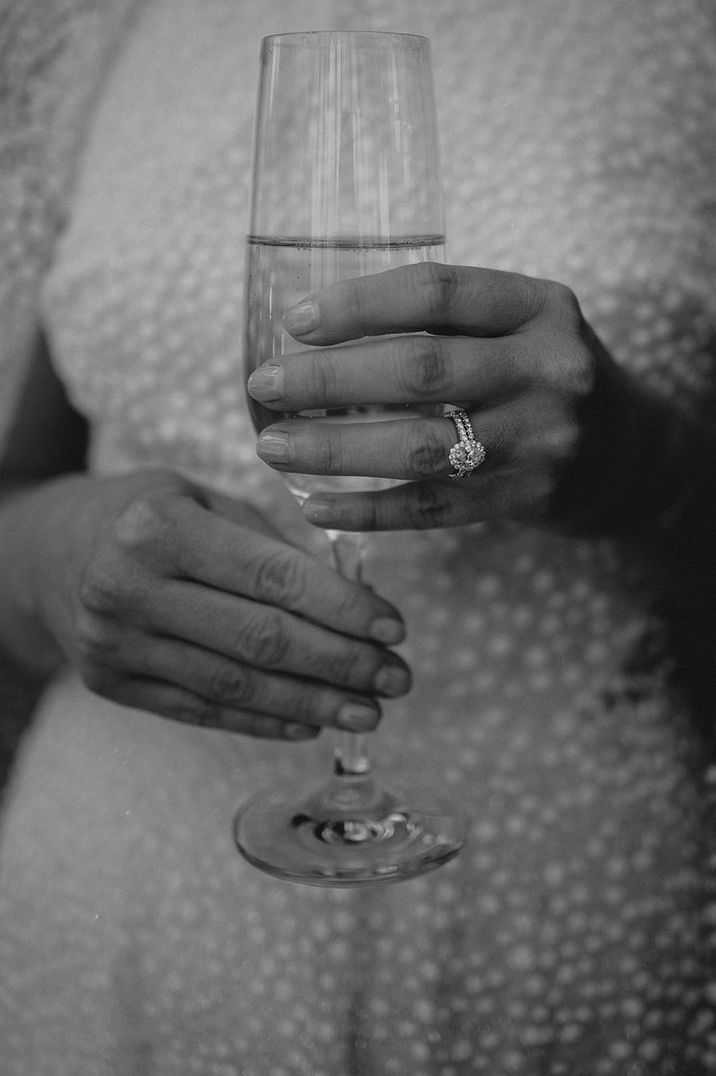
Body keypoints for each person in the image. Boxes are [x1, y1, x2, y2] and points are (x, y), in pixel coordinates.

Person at [0, 0, 714, 1072]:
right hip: (123, 879)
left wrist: (641, 464)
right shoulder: (106, 26)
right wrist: (50, 552)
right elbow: (17, 481)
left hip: (562, 883)